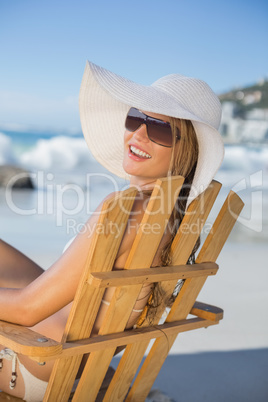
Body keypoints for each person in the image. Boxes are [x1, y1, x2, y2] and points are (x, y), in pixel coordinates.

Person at [0, 61, 224, 401]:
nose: (138, 135)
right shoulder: (171, 216)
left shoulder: (124, 210)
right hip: (84, 357)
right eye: (135, 118)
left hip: (36, 364)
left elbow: (28, 311)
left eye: (160, 130)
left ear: (186, 151)